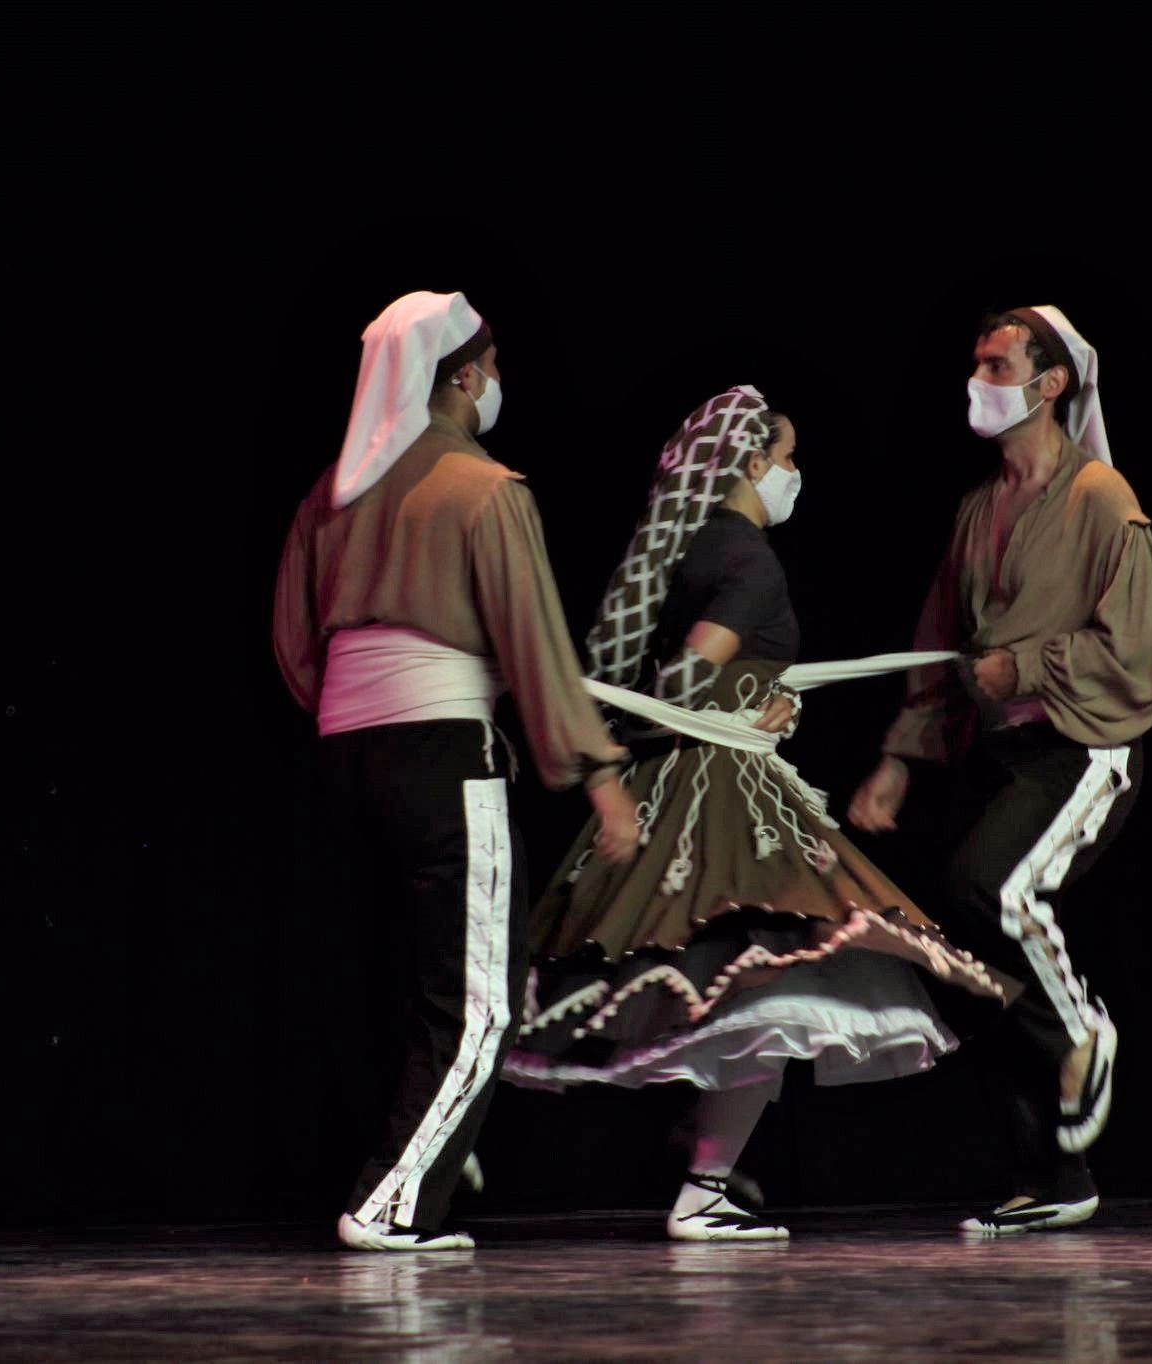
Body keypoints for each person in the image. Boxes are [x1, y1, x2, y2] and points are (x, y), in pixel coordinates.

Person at [507, 385, 1012, 1241]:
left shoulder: (692, 549)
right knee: (774, 980)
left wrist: (747, 702)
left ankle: (706, 1152)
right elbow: (681, 681)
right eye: (785, 458)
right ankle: (704, 1186)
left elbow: (657, 682)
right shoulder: (745, 559)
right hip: (724, 791)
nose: (792, 474)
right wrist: (740, 713)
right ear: (749, 464)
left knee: (726, 978)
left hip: (681, 779)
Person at [272, 290, 638, 1251]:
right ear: (465, 377)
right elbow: (536, 647)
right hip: (442, 756)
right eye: (493, 365)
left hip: (346, 756)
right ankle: (393, 1200)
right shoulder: (483, 489)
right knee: (480, 1000)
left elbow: (292, 639)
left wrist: (353, 713)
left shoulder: (335, 491)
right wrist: (597, 774)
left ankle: (421, 1161)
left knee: (399, 983)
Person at [848, 306, 1152, 1235]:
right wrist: (898, 764)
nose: (978, 380)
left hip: (1086, 745)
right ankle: (1054, 1170)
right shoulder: (978, 507)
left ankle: (1082, 1033)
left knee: (995, 890)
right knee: (972, 954)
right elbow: (940, 645)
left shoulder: (1099, 498)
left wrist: (1026, 666)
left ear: (1051, 383)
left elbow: (1142, 651)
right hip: (1003, 754)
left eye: (997, 363)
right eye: (977, 362)